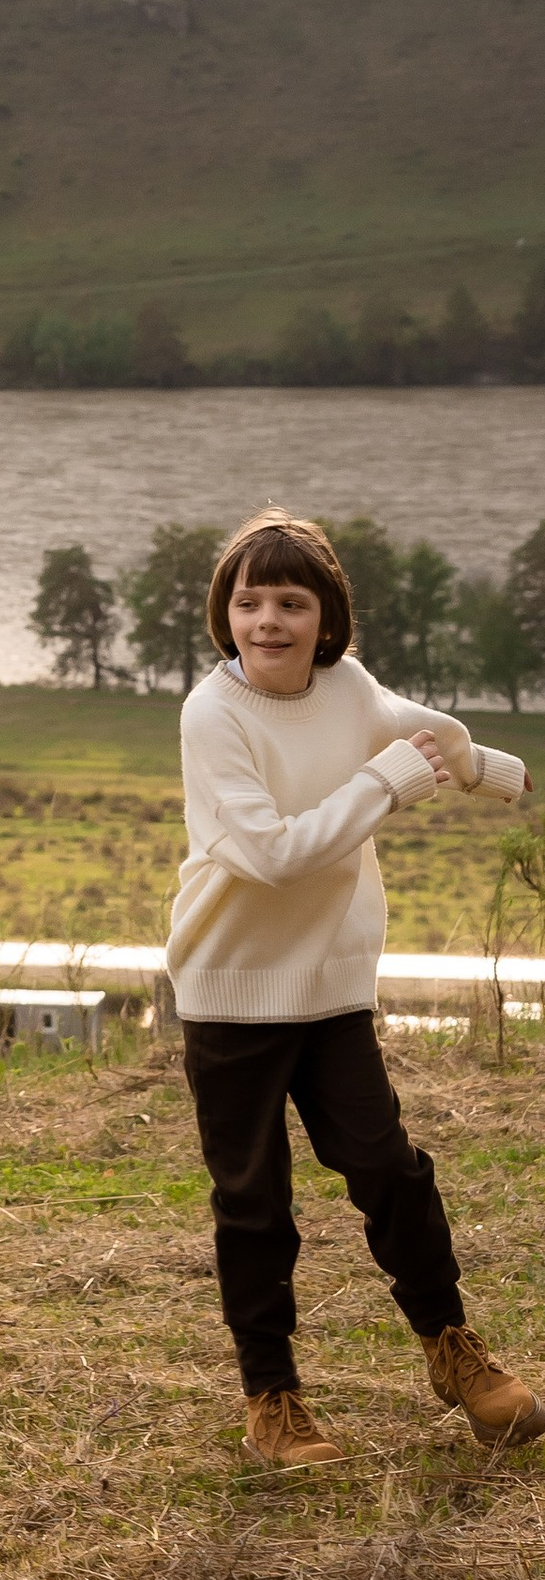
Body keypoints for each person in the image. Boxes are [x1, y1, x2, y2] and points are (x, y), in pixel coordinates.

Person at [167, 507, 540, 1466]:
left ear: (326, 617)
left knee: (388, 1168)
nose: (269, 622)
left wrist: (491, 773)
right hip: (232, 991)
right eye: (249, 603)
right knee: (255, 1202)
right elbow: (270, 854)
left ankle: (454, 1352)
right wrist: (387, 784)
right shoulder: (212, 714)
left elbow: (422, 729)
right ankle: (273, 1400)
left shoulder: (349, 686)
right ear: (225, 614)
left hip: (331, 986)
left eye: (292, 603)